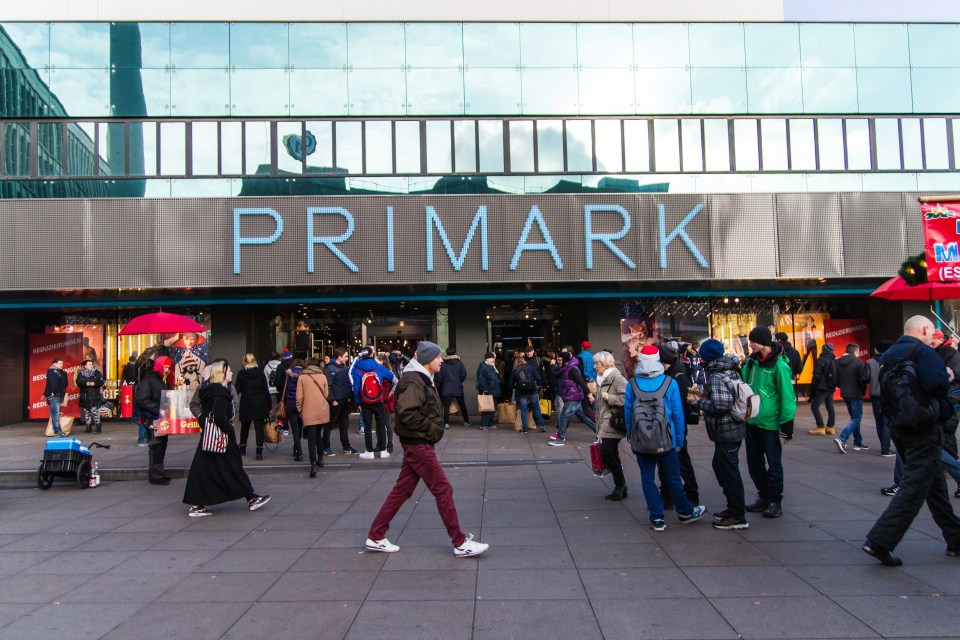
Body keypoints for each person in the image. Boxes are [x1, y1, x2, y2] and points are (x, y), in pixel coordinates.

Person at [365, 341, 489, 558]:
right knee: (443, 488)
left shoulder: (419, 377)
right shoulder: (414, 380)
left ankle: (376, 535)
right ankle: (460, 543)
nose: (441, 360)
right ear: (426, 360)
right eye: (437, 357)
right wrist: (433, 428)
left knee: (401, 491)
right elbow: (407, 414)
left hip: (416, 443)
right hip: (418, 444)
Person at [863, 316, 960, 566]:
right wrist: (947, 375)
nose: (932, 338)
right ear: (925, 330)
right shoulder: (923, 353)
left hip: (901, 427)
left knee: (934, 485)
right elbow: (936, 385)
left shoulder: (889, 354)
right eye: (931, 333)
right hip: (925, 427)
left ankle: (956, 538)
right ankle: (880, 541)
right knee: (914, 487)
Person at [625, 345, 706, 531]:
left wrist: (631, 436)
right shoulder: (670, 383)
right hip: (666, 438)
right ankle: (685, 511)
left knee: (647, 479)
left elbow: (628, 412)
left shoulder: (632, 384)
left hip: (641, 439)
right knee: (673, 478)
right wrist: (679, 439)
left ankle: (657, 518)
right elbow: (677, 414)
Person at [182, 360, 271, 517]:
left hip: (210, 436)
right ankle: (250, 498)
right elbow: (219, 417)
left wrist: (205, 421)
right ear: (222, 374)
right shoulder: (220, 394)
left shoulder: (212, 391)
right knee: (233, 467)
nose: (231, 373)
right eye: (229, 371)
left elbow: (209, 413)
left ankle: (198, 503)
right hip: (220, 437)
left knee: (208, 469)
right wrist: (229, 431)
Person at [691, 339, 749, 530]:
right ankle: (733, 508)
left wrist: (698, 403)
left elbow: (722, 406)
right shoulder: (730, 369)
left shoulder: (716, 375)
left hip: (726, 430)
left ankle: (737, 515)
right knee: (721, 466)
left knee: (728, 471)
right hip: (733, 428)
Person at [741, 327, 796, 519]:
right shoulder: (752, 362)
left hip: (770, 423)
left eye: (753, 341)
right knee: (754, 464)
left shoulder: (780, 366)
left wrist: (787, 425)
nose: (750, 344)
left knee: (773, 464)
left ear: (763, 342)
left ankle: (775, 500)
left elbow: (787, 397)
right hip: (752, 421)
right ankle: (764, 495)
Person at [657, 341, 700, 506]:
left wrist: (680, 433)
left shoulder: (678, 378)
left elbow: (680, 408)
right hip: (666, 426)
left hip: (676, 426)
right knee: (664, 463)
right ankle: (667, 495)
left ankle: (691, 496)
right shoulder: (670, 375)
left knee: (682, 463)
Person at [594, 350, 628, 500]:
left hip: (613, 422)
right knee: (611, 452)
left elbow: (627, 398)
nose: (595, 366)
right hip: (604, 421)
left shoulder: (617, 378)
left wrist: (611, 398)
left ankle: (620, 486)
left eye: (598, 363)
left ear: (606, 364)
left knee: (606, 452)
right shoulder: (601, 379)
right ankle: (620, 486)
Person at [351, 346, 396, 459]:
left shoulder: (357, 369)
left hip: (365, 401)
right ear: (371, 355)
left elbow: (356, 388)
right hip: (379, 400)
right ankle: (383, 451)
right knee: (381, 425)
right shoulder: (378, 367)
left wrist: (358, 403)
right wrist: (390, 391)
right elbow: (392, 377)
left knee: (367, 426)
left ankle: (369, 451)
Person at [136, 355, 173, 485]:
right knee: (156, 447)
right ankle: (156, 475)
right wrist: (158, 409)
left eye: (169, 367)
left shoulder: (163, 380)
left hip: (162, 418)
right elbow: (142, 401)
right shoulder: (148, 381)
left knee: (162, 445)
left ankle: (159, 473)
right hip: (153, 418)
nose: (167, 370)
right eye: (166, 367)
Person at [549, 348, 596, 446]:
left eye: (560, 359)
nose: (559, 361)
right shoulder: (568, 367)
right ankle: (600, 433)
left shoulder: (572, 369)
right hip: (573, 396)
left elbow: (582, 382)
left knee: (564, 416)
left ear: (565, 360)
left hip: (573, 397)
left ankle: (560, 438)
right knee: (582, 416)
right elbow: (555, 373)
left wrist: (589, 394)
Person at [297, 358, 330, 477]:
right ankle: (321, 458)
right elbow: (326, 394)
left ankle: (313, 465)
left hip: (308, 410)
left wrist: (300, 410)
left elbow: (299, 397)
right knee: (318, 436)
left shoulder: (302, 377)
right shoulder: (322, 376)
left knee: (311, 439)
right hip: (322, 409)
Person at [834, 343, 870, 453]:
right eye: (858, 352)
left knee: (854, 418)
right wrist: (862, 389)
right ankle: (842, 438)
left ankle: (858, 442)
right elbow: (863, 379)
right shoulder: (858, 363)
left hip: (845, 392)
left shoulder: (838, 362)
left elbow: (836, 379)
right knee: (856, 418)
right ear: (855, 352)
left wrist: (842, 386)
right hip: (856, 393)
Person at [234, 353, 271, 460]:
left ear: (244, 362)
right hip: (260, 402)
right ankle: (259, 452)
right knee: (259, 428)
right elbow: (265, 390)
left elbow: (237, 389)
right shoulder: (260, 373)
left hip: (247, 402)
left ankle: (242, 449)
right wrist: (269, 406)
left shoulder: (242, 373)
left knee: (245, 427)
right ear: (255, 361)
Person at [325, 347, 359, 455]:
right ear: (339, 357)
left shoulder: (344, 367)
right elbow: (328, 386)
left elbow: (347, 382)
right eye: (345, 356)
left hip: (344, 400)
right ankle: (326, 447)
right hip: (336, 401)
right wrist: (332, 400)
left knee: (344, 425)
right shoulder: (330, 369)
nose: (347, 358)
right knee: (330, 424)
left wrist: (349, 396)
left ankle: (346, 447)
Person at [932, 330, 960, 460]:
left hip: (951, 396)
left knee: (948, 430)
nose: (931, 342)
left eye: (933, 340)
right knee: (944, 431)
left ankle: (952, 461)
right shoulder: (937, 352)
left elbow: (956, 373)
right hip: (945, 395)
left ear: (940, 339)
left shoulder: (950, 353)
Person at [866, 340, 895, 457]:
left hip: (875, 396)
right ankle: (886, 448)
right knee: (887, 422)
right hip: (888, 395)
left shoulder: (870, 362)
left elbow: (865, 378)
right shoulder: (892, 361)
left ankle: (883, 444)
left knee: (879, 422)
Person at [776, 332, 802, 441]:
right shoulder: (795, 352)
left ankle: (780, 425)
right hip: (791, 379)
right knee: (789, 401)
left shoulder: (779, 352)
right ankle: (788, 425)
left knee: (779, 400)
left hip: (780, 378)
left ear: (778, 340)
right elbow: (799, 368)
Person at [510, 353, 546, 433]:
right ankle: (541, 425)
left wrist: (516, 386)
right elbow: (538, 377)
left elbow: (510, 384)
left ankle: (525, 428)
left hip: (521, 393)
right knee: (536, 408)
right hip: (532, 391)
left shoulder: (515, 370)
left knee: (523, 410)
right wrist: (536, 384)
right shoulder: (530, 368)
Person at [807, 343, 837, 436]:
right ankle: (830, 427)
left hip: (822, 387)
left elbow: (816, 375)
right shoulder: (834, 360)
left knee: (814, 406)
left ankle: (820, 427)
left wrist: (813, 387)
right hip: (831, 387)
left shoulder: (821, 360)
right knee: (830, 406)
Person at [438, 346, 471, 428]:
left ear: (446, 353)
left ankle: (446, 423)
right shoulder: (459, 363)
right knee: (462, 404)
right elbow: (463, 374)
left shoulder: (443, 364)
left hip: (447, 387)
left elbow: (438, 376)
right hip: (457, 386)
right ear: (455, 353)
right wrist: (458, 381)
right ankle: (466, 421)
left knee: (446, 406)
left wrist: (444, 382)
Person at [282, 358, 304, 461]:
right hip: (301, 404)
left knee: (294, 429)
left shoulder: (288, 375)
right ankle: (297, 448)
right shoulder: (304, 374)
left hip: (290, 403)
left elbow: (284, 388)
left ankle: (297, 451)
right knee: (299, 427)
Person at [76, 359, 105, 434]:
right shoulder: (81, 374)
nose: (91, 365)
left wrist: (94, 383)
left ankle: (98, 426)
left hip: (94, 395)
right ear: (85, 366)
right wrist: (86, 383)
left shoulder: (97, 373)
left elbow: (101, 382)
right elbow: (78, 382)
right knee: (87, 413)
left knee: (95, 412)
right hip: (85, 396)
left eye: (92, 364)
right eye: (89, 364)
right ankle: (88, 426)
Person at [43, 358, 69, 437]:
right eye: (60, 364)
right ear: (54, 364)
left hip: (57, 395)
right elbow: (54, 385)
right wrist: (57, 393)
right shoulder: (52, 372)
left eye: (62, 364)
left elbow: (65, 384)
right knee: (55, 414)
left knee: (55, 413)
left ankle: (57, 430)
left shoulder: (60, 372)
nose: (61, 365)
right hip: (54, 395)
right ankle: (57, 431)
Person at [475, 351, 501, 431]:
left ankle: (490, 424)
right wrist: (485, 391)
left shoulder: (492, 366)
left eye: (494, 358)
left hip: (494, 391)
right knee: (487, 409)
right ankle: (484, 425)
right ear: (487, 359)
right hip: (488, 391)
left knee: (492, 409)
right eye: (492, 358)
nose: (493, 360)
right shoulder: (483, 367)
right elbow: (481, 381)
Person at [263, 351, 281, 418]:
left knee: (273, 406)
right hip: (280, 388)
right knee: (281, 405)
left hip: (270, 389)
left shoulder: (267, 366)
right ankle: (281, 421)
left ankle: (273, 422)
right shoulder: (281, 365)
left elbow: (264, 378)